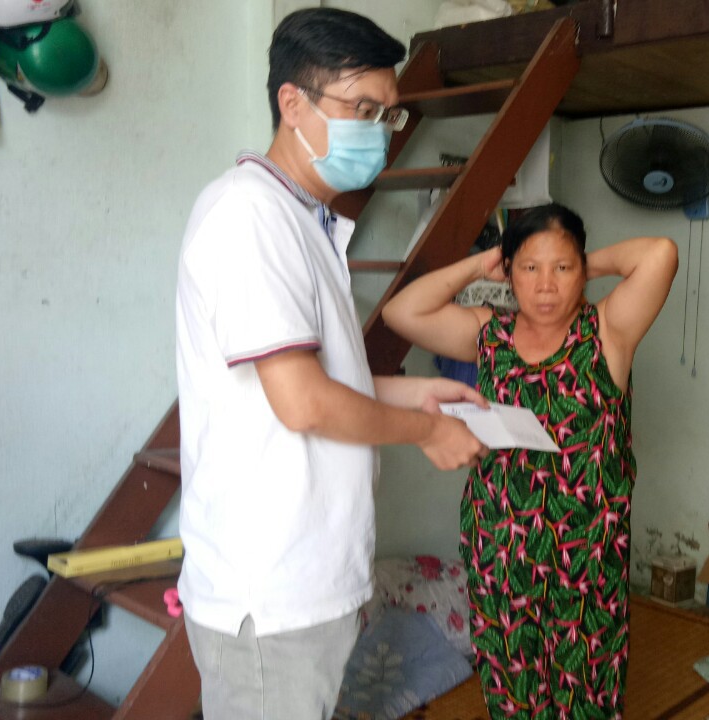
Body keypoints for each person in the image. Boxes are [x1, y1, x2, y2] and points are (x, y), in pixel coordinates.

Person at [174, 9, 487, 719]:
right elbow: (304, 403)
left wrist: (416, 393)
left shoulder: (306, 222)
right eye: (362, 110)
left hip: (309, 580)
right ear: (292, 103)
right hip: (270, 592)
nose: (379, 131)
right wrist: (428, 431)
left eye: (388, 115)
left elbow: (315, 381)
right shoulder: (249, 215)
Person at [382, 204, 678, 718]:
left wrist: (577, 262)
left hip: (585, 561)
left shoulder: (607, 330)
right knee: (512, 692)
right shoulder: (489, 335)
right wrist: (480, 266)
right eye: (529, 268)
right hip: (500, 551)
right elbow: (400, 313)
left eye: (561, 268)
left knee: (586, 694)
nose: (545, 285)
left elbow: (661, 254)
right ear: (509, 272)